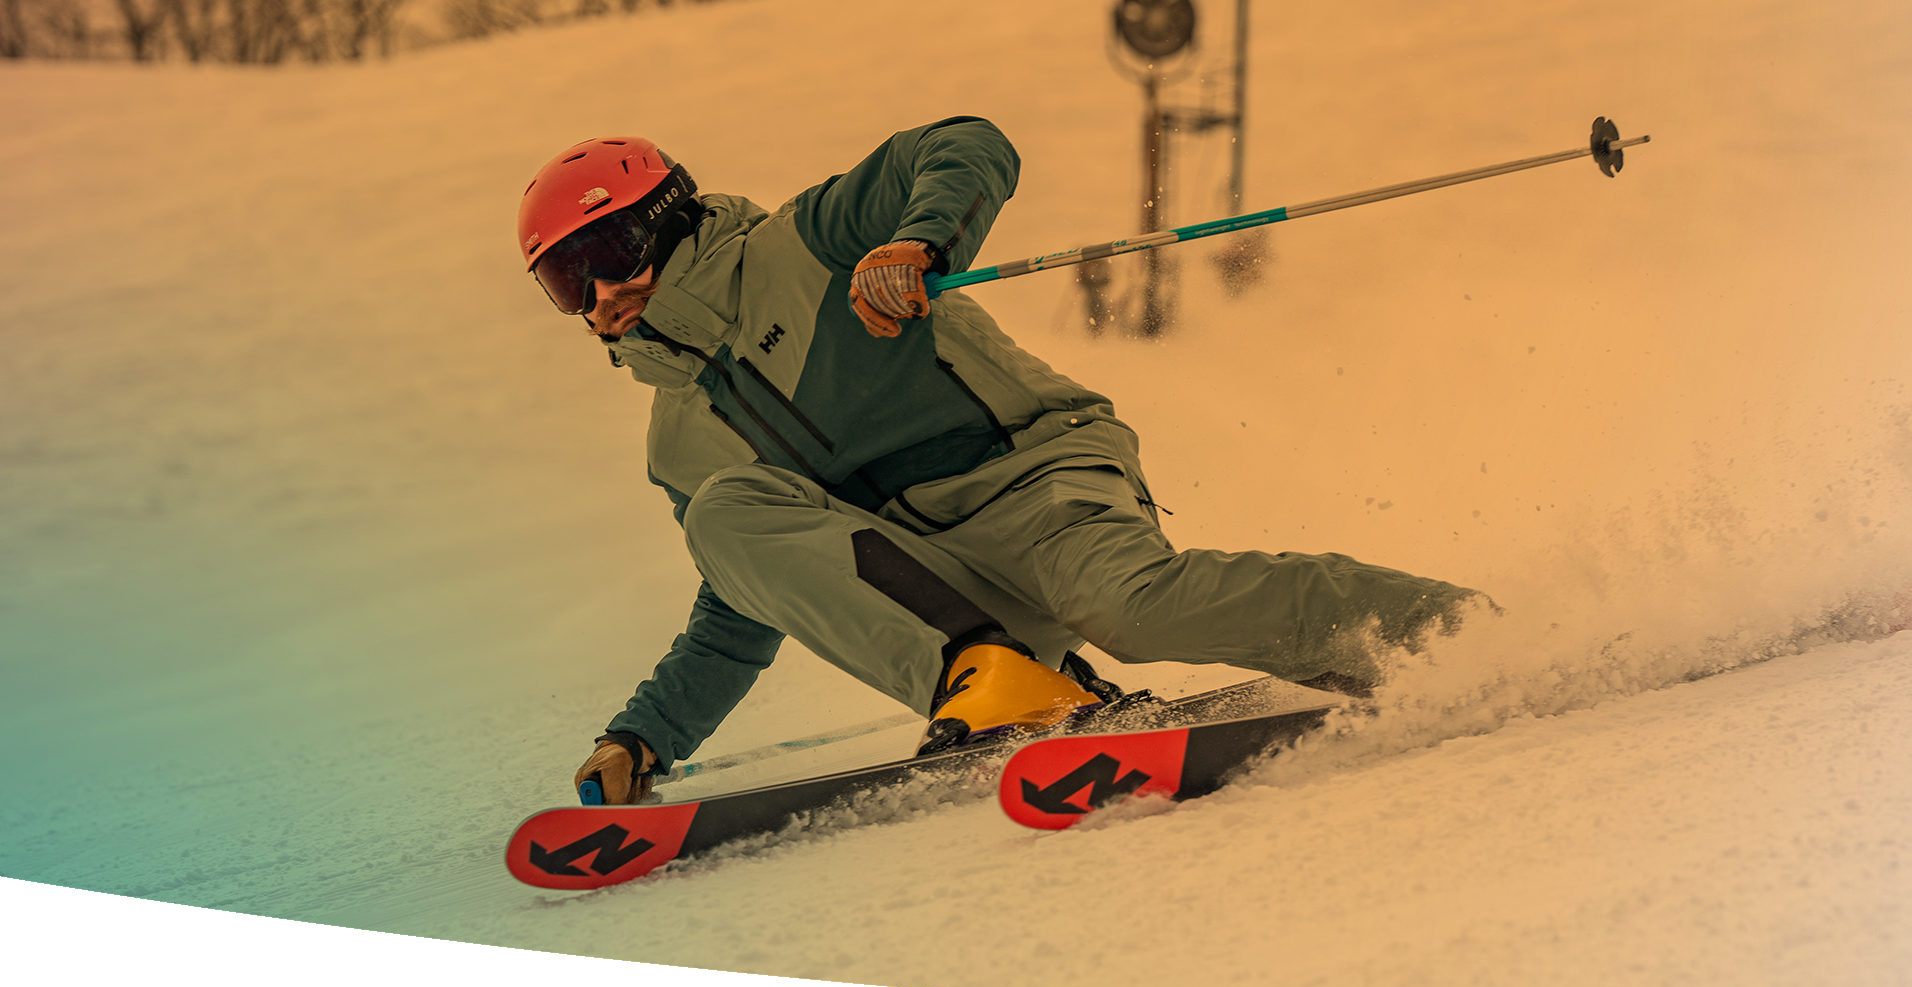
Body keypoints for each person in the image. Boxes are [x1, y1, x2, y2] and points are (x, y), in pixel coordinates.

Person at [516, 118, 1491, 805]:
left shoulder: (804, 242)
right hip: (932, 580)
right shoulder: (677, 440)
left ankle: (1451, 630)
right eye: (566, 279)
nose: (597, 291)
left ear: (665, 215)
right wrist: (644, 736)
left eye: (606, 249)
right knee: (727, 514)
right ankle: (1009, 677)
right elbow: (744, 603)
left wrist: (914, 238)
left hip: (1032, 476)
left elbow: (968, 143)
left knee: (1132, 608)